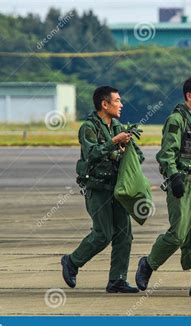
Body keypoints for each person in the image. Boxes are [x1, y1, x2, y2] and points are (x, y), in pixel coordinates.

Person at [135, 77, 191, 297]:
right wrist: (174, 177)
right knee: (178, 235)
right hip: (183, 184)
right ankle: (148, 263)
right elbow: (166, 154)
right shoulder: (176, 120)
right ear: (189, 96)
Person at [61, 86, 144, 294]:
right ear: (104, 104)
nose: (121, 104)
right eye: (117, 101)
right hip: (97, 189)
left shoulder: (118, 126)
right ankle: (72, 261)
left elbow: (138, 156)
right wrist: (114, 143)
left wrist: (126, 148)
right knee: (103, 234)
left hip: (117, 189)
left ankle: (117, 280)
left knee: (124, 235)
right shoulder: (88, 127)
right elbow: (91, 153)